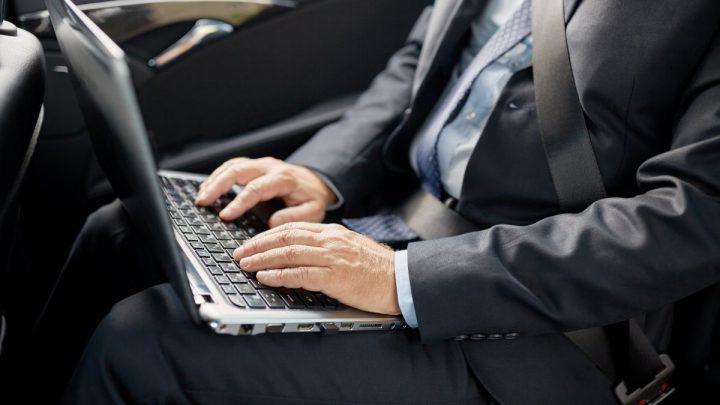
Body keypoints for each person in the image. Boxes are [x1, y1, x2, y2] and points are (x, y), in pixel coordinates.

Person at [34, 0, 720, 403]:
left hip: (544, 328)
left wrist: (401, 278)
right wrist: (322, 176)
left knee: (142, 341)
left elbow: (692, 217)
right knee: (118, 235)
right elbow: (420, 63)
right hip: (398, 220)